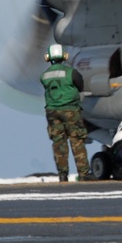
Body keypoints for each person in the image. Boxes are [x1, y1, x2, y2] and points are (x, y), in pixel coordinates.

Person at [40, 43, 90, 182]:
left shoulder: (44, 76)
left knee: (58, 143)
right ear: (64, 56)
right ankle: (83, 174)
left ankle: (62, 175)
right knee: (77, 140)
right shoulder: (71, 72)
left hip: (52, 112)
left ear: (48, 58)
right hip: (71, 110)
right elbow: (80, 85)